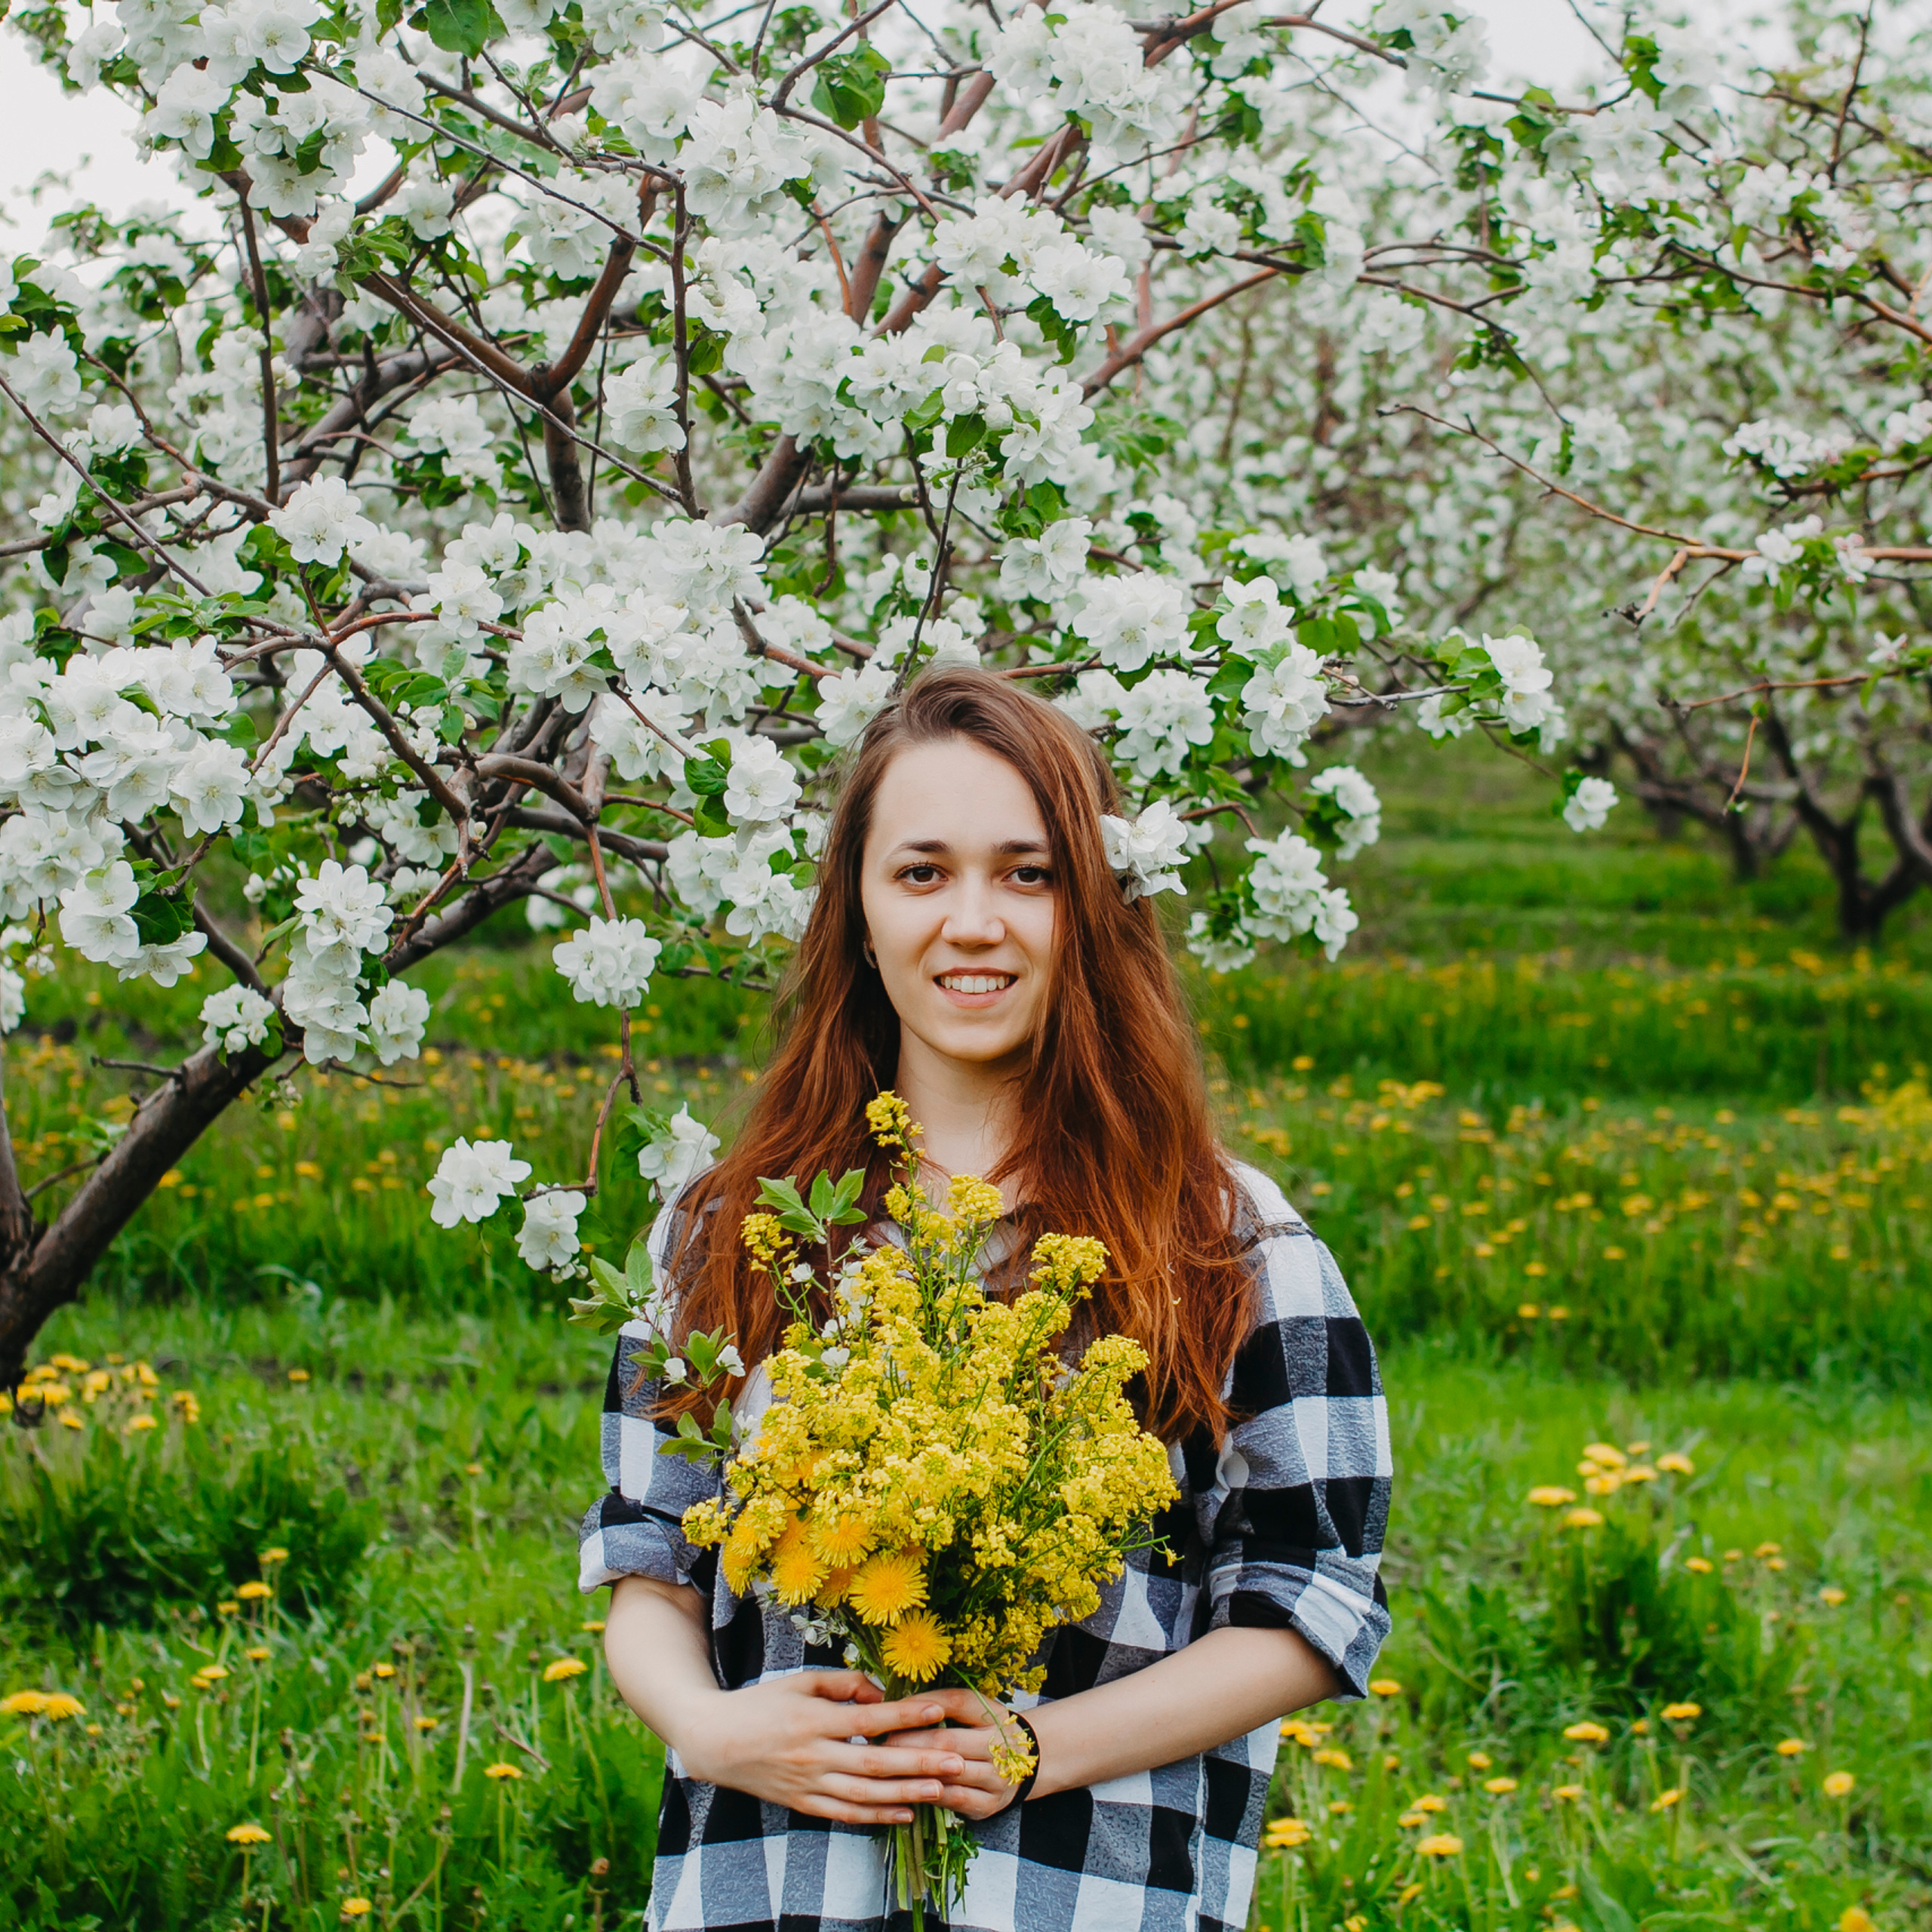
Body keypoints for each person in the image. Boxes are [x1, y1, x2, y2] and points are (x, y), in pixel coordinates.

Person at [579, 665, 1391, 1932]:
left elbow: (1311, 1599)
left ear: (1096, 909)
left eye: (1029, 874)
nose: (974, 922)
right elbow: (649, 1559)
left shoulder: (1228, 1242)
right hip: (773, 1888)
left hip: (1091, 1893)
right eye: (922, 873)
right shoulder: (722, 1232)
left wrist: (1029, 1747)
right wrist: (710, 1728)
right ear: (855, 909)